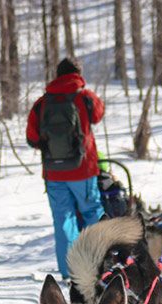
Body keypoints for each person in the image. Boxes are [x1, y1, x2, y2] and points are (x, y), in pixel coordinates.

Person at [26, 58, 106, 279]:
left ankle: (69, 272)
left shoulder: (42, 103)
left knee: (63, 220)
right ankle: (100, 266)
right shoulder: (85, 97)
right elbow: (99, 114)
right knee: (92, 214)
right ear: (77, 73)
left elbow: (32, 138)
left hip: (54, 173)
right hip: (84, 170)